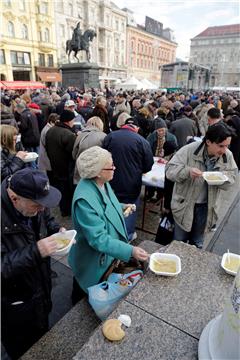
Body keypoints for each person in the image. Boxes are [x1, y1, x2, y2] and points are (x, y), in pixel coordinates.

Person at [68, 146, 149, 303]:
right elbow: (98, 239)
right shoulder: (84, 200)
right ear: (97, 171)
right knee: (84, 289)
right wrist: (130, 250)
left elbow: (106, 204)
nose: (115, 167)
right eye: (111, 165)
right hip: (91, 259)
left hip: (104, 256)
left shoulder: (101, 182)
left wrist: (121, 206)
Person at [1, 168, 63, 359]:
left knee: (42, 333)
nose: (42, 209)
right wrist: (36, 251)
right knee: (23, 348)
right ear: (14, 199)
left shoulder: (35, 201)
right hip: (14, 302)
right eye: (37, 205)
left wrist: (57, 230)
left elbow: (46, 219)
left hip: (40, 286)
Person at [166, 122, 237, 249]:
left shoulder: (227, 155)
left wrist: (222, 179)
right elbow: (169, 171)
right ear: (208, 142)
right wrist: (187, 171)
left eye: (227, 146)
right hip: (184, 204)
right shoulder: (189, 150)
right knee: (178, 244)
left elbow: (232, 176)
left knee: (198, 243)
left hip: (207, 207)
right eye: (221, 146)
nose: (224, 150)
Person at [103, 117, 154, 240]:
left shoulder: (110, 136)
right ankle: (127, 236)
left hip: (110, 181)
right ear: (136, 128)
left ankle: (109, 233)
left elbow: (102, 157)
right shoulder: (142, 141)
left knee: (110, 206)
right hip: (131, 184)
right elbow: (148, 165)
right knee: (129, 209)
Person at [45, 110, 77, 216]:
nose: (74, 122)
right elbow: (73, 153)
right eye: (73, 120)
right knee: (67, 190)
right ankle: (67, 210)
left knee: (61, 189)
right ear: (68, 121)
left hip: (55, 165)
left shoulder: (51, 130)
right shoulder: (68, 134)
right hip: (66, 167)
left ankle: (63, 209)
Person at [72, 116, 107, 184]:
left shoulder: (80, 136)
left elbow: (74, 154)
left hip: (81, 170)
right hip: (97, 171)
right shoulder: (104, 136)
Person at [38, 113, 59, 181]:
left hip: (46, 155)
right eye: (55, 123)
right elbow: (47, 145)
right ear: (51, 122)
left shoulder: (48, 128)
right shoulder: (47, 130)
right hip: (46, 156)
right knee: (49, 175)